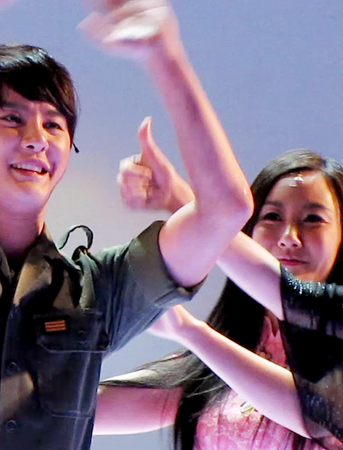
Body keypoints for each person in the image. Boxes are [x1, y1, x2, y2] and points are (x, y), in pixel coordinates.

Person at [0, 0, 254, 448]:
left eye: (54, 125)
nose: (37, 139)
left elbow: (226, 210)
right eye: (12, 119)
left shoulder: (97, 288)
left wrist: (165, 55)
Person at [95, 149, 343, 450]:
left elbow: (315, 413)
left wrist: (180, 200)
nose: (289, 237)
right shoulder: (216, 358)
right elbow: (74, 410)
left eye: (313, 218)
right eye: (272, 216)